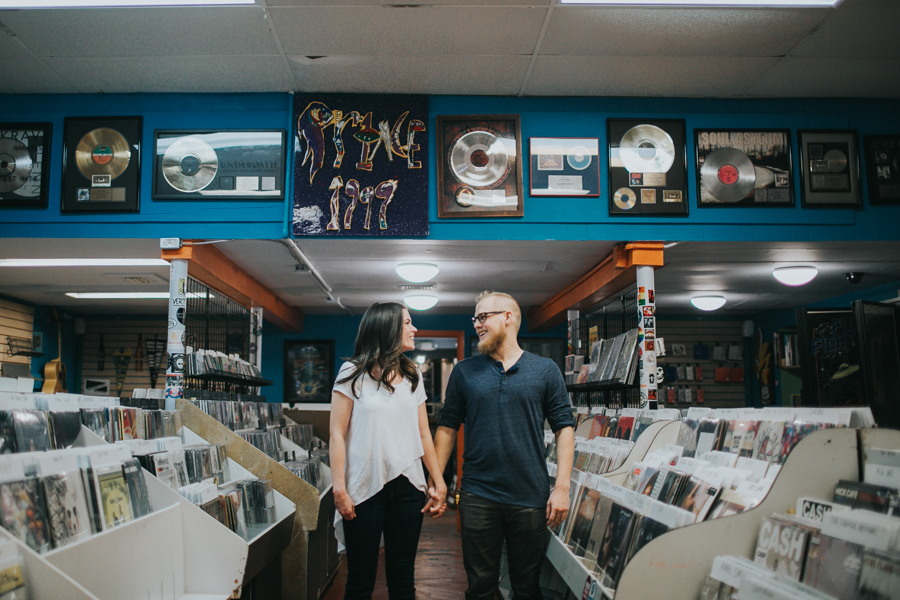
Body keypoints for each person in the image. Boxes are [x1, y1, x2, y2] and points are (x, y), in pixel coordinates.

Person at [432, 291, 575, 600]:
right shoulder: (464, 371)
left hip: (530, 496)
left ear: (508, 317)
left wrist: (562, 487)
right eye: (475, 319)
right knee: (480, 588)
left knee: (526, 587)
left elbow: (565, 429)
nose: (477, 325)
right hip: (477, 494)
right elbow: (447, 428)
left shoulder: (545, 370)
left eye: (483, 317)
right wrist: (438, 481)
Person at [329, 302, 448, 600]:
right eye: (408, 323)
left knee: (403, 578)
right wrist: (339, 489)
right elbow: (336, 434)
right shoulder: (351, 373)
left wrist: (439, 480)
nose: (414, 329)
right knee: (359, 580)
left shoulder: (413, 375)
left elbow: (423, 433)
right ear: (387, 328)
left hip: (408, 487)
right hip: (364, 486)